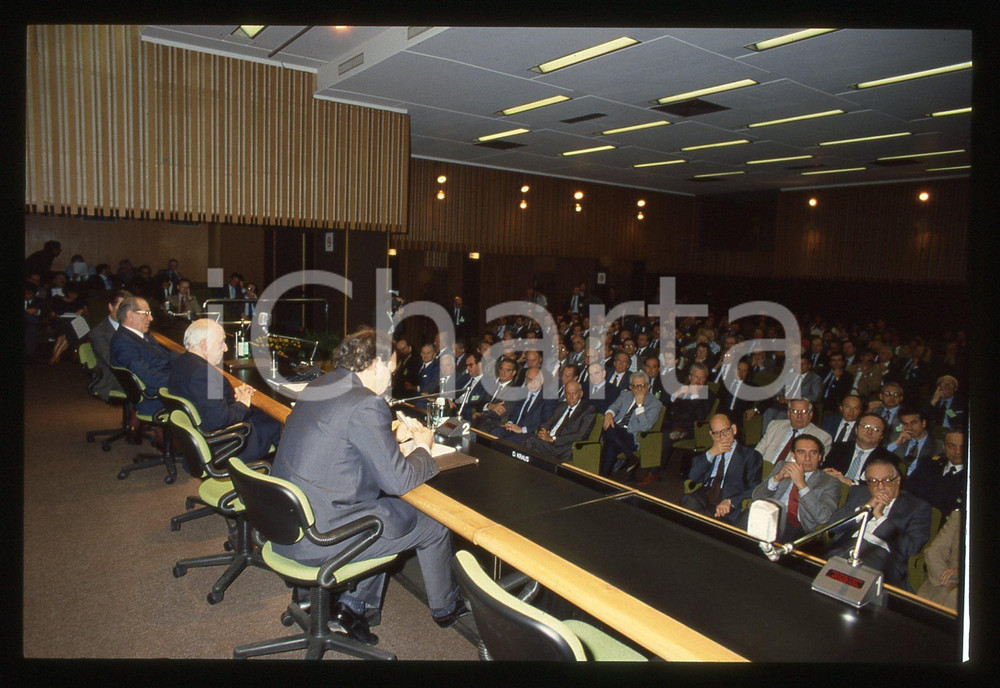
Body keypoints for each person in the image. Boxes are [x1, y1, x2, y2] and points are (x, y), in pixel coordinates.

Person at [269, 329, 469, 644]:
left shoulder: (320, 384)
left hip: (283, 522)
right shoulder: (365, 403)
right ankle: (446, 607)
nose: (390, 379)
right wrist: (422, 448)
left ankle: (352, 607)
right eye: (389, 370)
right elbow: (399, 480)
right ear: (374, 363)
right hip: (318, 538)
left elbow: (340, 446)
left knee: (385, 511)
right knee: (430, 522)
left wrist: (388, 440)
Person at [167, 319, 281, 461]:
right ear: (204, 345)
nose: (226, 348)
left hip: (205, 431)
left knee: (263, 414)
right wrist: (243, 403)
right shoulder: (203, 374)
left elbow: (210, 405)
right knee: (279, 422)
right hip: (226, 443)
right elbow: (220, 421)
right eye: (221, 342)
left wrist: (237, 398)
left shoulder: (182, 363)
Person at [824, 455, 931, 590]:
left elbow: (909, 548)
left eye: (886, 480)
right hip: (845, 546)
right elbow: (833, 526)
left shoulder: (917, 507)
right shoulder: (860, 494)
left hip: (881, 555)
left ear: (897, 481)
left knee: (851, 579)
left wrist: (879, 517)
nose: (880, 487)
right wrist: (865, 509)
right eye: (873, 481)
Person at [739, 433, 841, 541]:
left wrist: (801, 485)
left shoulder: (830, 482)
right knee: (749, 516)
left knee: (757, 522)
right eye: (801, 452)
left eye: (813, 453)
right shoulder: (782, 466)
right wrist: (776, 478)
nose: (807, 458)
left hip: (797, 528)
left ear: (820, 456)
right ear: (793, 455)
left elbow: (824, 517)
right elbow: (756, 496)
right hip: (769, 515)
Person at [680, 413, 762, 525]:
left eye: (726, 431)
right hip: (705, 496)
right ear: (711, 435)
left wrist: (731, 501)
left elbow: (756, 488)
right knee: (688, 500)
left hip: (727, 502)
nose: (722, 436)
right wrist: (711, 453)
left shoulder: (750, 455)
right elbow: (693, 477)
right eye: (717, 433)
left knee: (700, 518)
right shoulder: (711, 452)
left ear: (734, 429)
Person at [110, 296, 180, 417]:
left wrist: (191, 358)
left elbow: (165, 356)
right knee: (210, 392)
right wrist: (183, 380)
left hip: (163, 384)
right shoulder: (123, 342)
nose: (151, 318)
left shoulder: (141, 336)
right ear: (131, 315)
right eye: (146, 313)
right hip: (156, 397)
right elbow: (148, 377)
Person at [598, 371, 663, 478]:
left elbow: (645, 427)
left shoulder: (655, 404)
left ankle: (600, 478)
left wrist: (640, 405)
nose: (639, 389)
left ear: (648, 386)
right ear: (630, 387)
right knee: (611, 443)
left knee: (610, 438)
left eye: (642, 385)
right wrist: (609, 414)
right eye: (635, 386)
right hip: (616, 430)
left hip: (632, 436)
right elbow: (614, 407)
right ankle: (630, 457)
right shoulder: (625, 395)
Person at [522, 381, 596, 463]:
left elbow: (580, 435)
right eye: (568, 394)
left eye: (574, 394)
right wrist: (543, 432)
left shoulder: (588, 410)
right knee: (531, 442)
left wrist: (553, 439)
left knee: (531, 441)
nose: (571, 397)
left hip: (563, 447)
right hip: (548, 442)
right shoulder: (561, 406)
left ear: (581, 394)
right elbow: (547, 423)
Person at [822, 413, 896, 486]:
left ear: (882, 436)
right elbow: (825, 469)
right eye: (865, 426)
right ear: (856, 429)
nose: (869, 432)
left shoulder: (888, 459)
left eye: (876, 429)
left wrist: (851, 482)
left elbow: (881, 485)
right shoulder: (838, 448)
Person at [906, 429, 966, 514]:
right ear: (944, 447)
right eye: (952, 446)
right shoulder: (929, 464)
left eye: (963, 446)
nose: (958, 451)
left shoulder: (970, 478)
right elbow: (907, 490)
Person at [86, 290, 132, 401]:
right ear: (111, 307)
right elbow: (111, 360)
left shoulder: (133, 328)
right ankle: (136, 417)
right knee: (153, 386)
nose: (125, 312)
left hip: (131, 372)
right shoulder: (99, 333)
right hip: (113, 377)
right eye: (121, 307)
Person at [916, 509, 961, 611]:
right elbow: (933, 552)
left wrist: (962, 574)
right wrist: (950, 580)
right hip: (942, 580)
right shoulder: (959, 516)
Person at [887, 408, 943, 476]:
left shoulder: (938, 446)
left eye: (913, 423)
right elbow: (881, 457)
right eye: (905, 424)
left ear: (923, 423)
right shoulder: (898, 441)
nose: (909, 428)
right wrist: (897, 443)